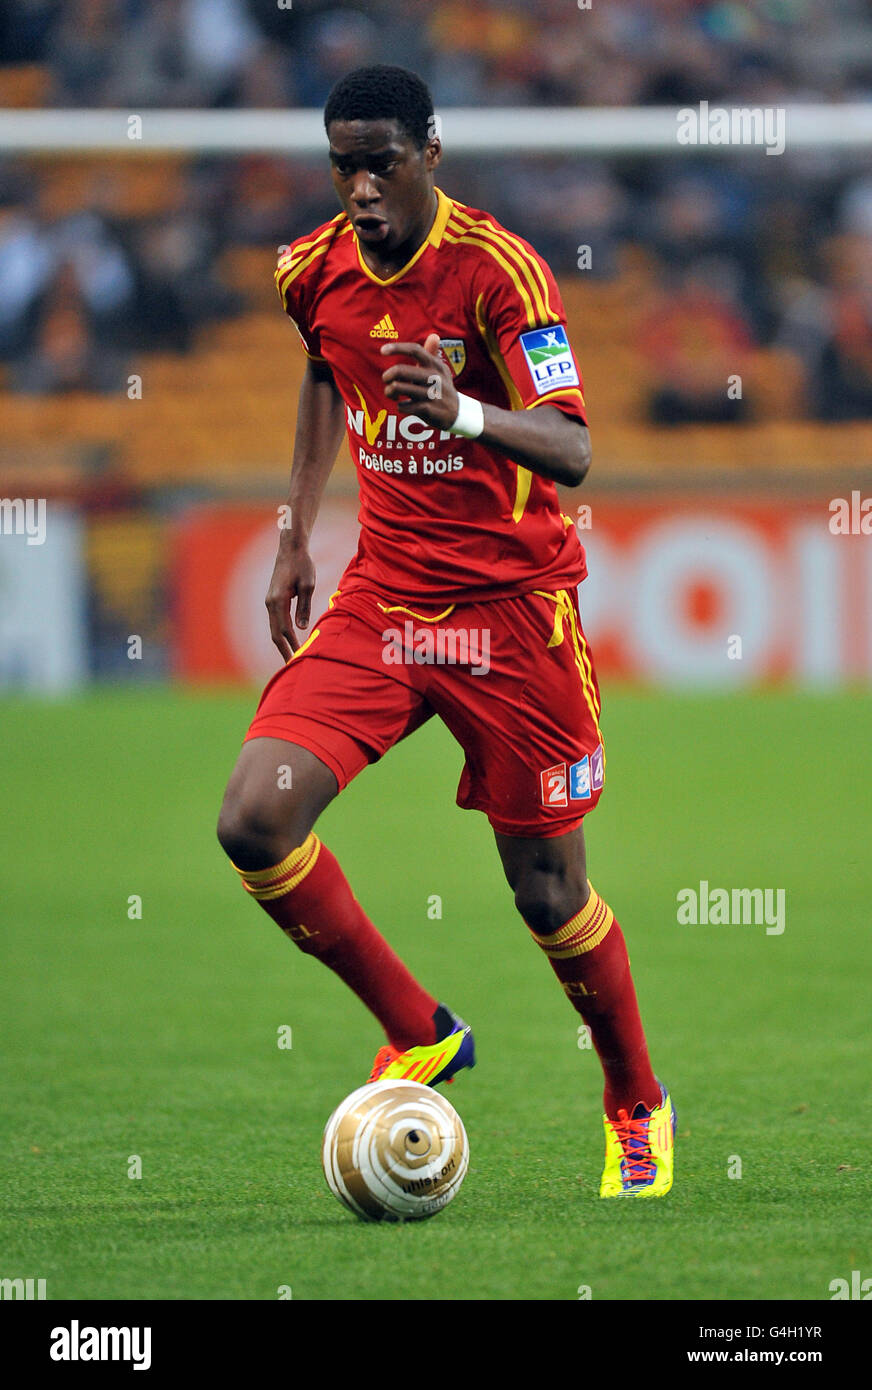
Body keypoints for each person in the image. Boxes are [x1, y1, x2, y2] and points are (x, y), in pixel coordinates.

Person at [217, 64, 675, 1198]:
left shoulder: (497, 273)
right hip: (384, 602)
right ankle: (421, 1026)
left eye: (381, 160)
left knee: (546, 893)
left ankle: (633, 1102)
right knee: (254, 818)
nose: (360, 185)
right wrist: (294, 533)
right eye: (343, 163)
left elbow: (572, 453)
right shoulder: (310, 268)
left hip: (512, 616)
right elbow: (325, 368)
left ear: (431, 150)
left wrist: (460, 410)